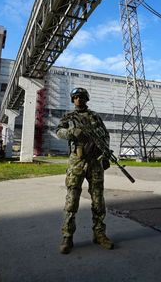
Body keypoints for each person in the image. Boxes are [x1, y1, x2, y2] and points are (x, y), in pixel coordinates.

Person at [56, 87, 114, 254]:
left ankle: (99, 234)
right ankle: (67, 236)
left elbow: (105, 136)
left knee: (98, 200)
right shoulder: (69, 117)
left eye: (81, 97)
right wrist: (71, 132)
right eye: (75, 97)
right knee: (72, 199)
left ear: (86, 99)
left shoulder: (95, 116)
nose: (78, 100)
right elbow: (58, 132)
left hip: (95, 161)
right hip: (77, 161)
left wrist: (105, 156)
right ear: (72, 100)